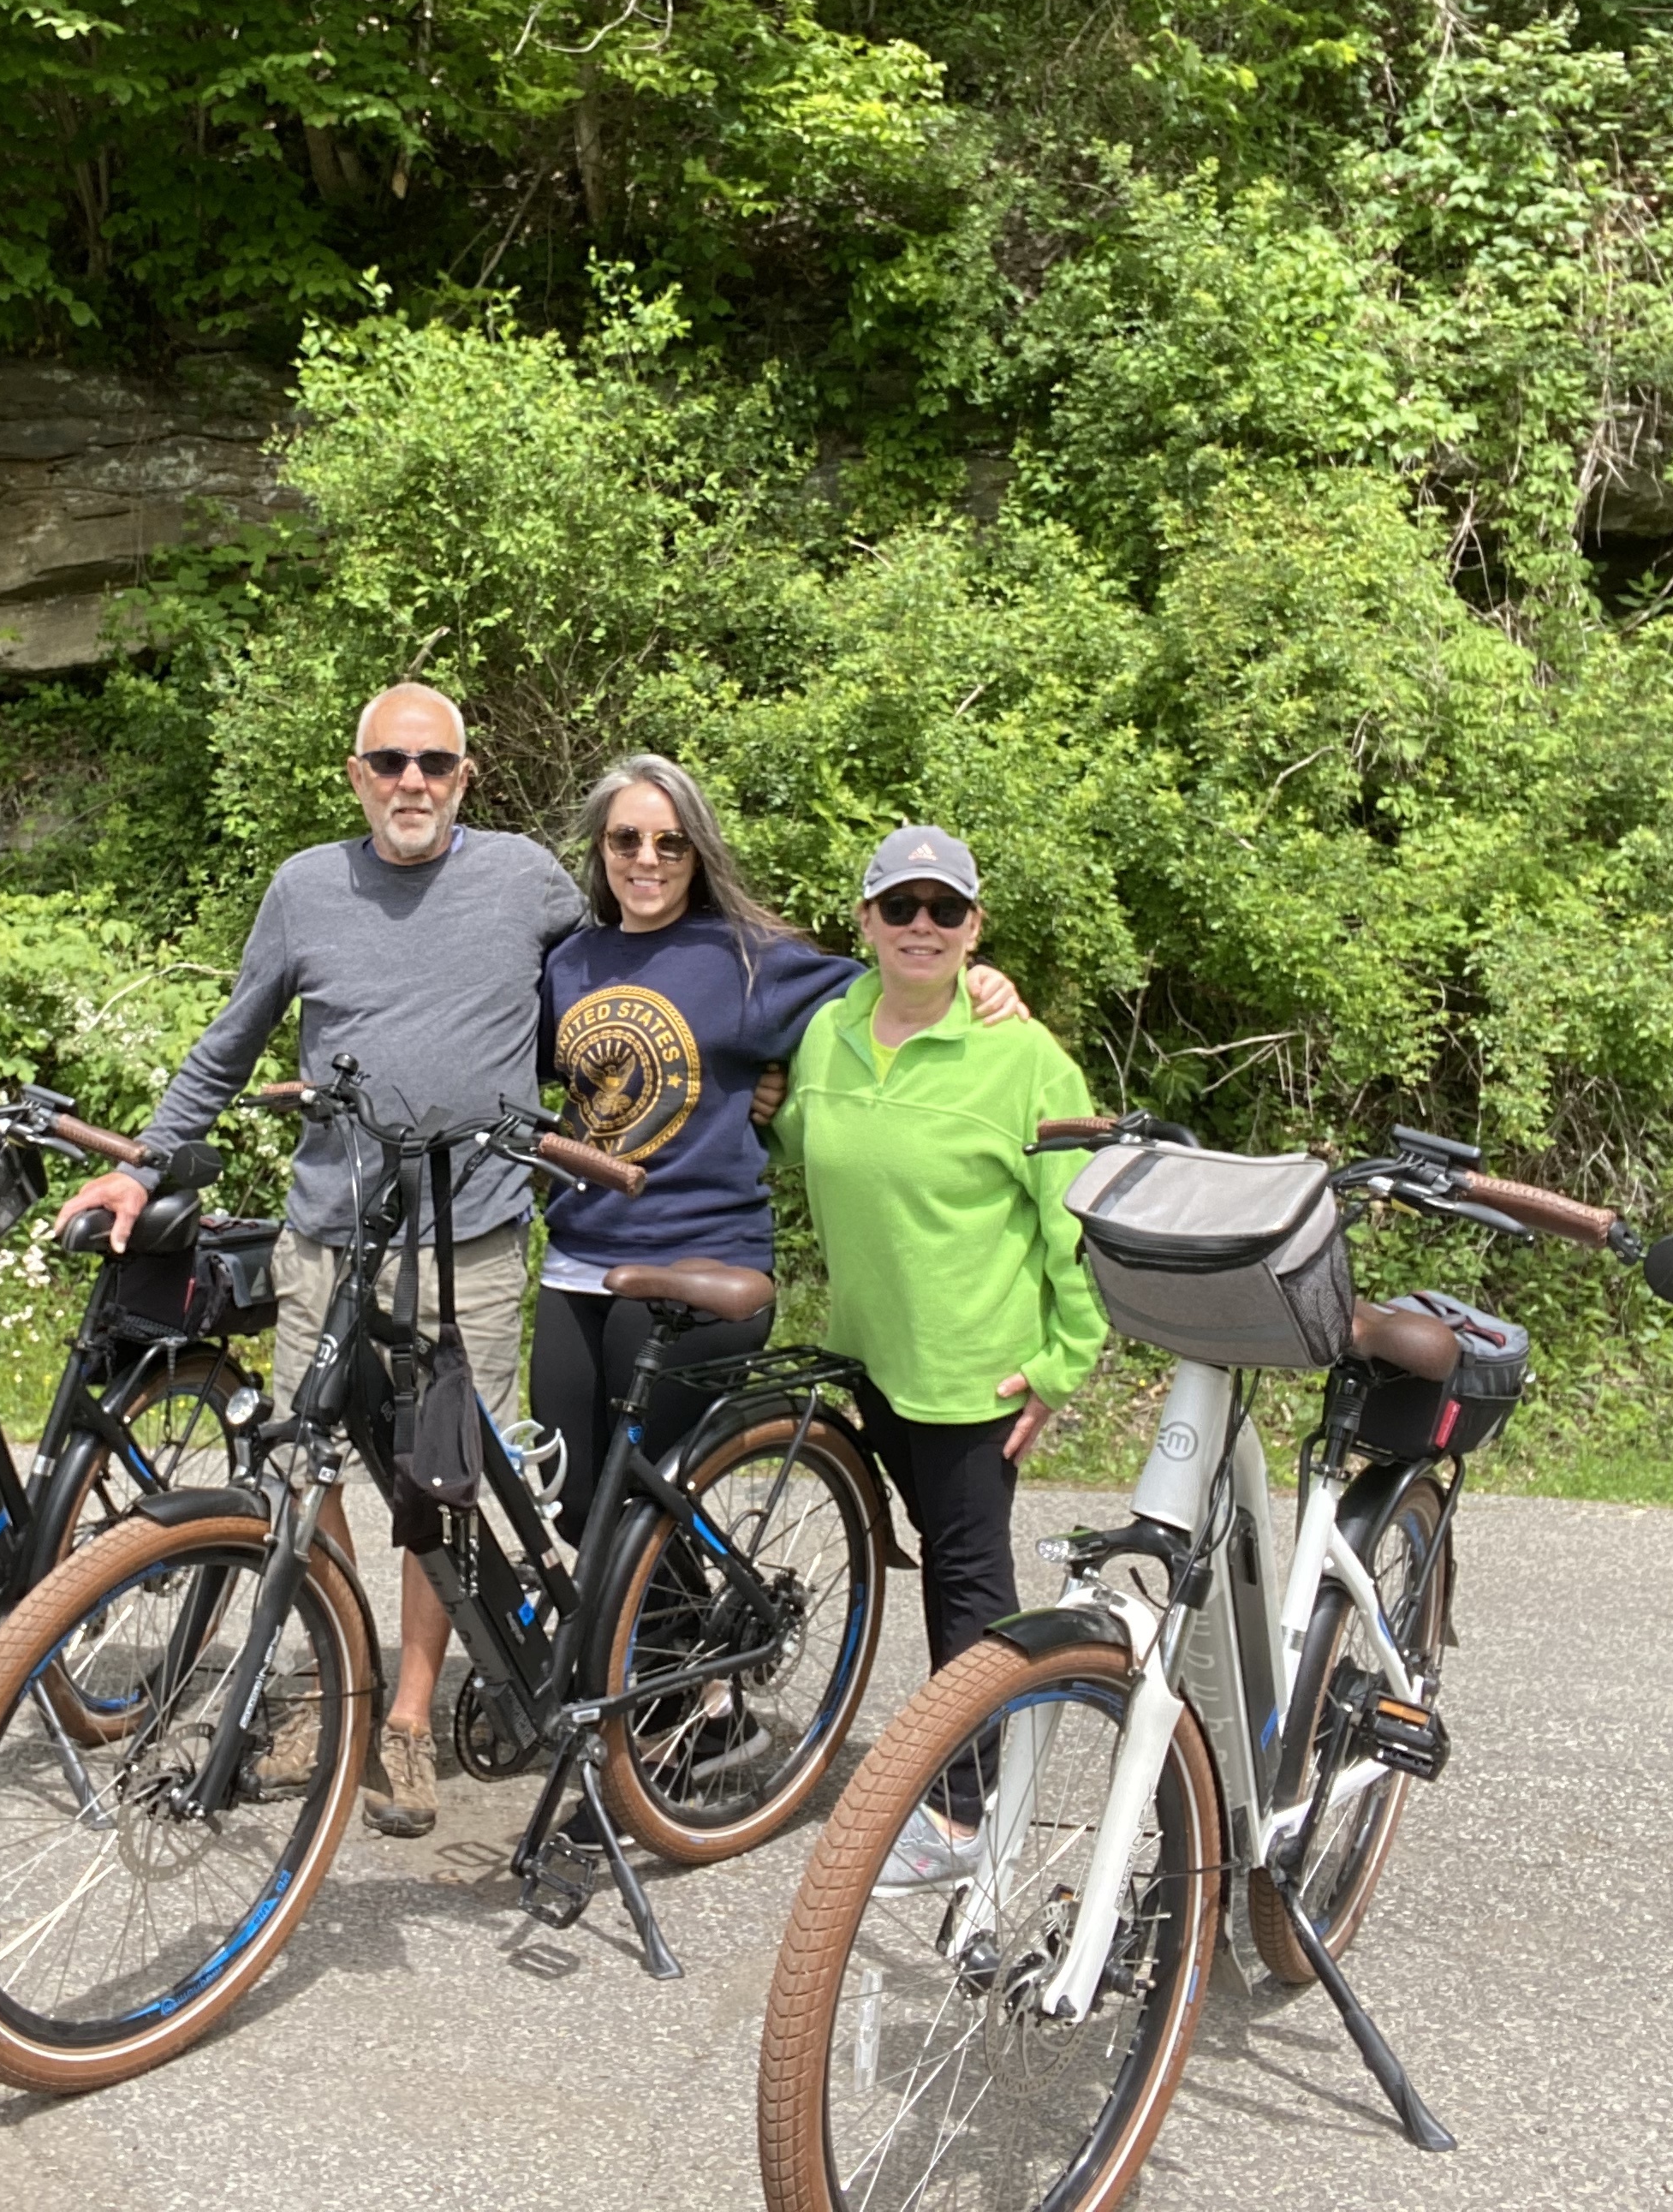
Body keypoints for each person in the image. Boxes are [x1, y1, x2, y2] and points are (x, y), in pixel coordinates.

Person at [56, 682, 581, 1840]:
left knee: (447, 1481)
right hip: (328, 1236)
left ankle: (406, 1712)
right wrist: (144, 1167)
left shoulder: (529, 880)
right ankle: (335, 1679)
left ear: (465, 775)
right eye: (389, 762)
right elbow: (229, 1041)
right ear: (356, 775)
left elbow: (640, 968)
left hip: (475, 1237)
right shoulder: (305, 887)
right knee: (310, 1466)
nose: (411, 783)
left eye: (434, 764)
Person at [534, 757, 1022, 1541]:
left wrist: (979, 984)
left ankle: (675, 1656)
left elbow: (885, 993)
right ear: (601, 850)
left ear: (700, 853)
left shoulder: (751, 958)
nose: (647, 859)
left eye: (671, 842)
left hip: (701, 1256)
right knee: (570, 1502)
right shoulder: (570, 963)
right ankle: (659, 1649)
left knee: (639, 1506)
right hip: (578, 1257)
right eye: (626, 840)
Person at [761, 823, 1105, 1891]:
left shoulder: (1028, 1058)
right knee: (919, 1557)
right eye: (899, 908)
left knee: (966, 1582)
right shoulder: (828, 1033)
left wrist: (1063, 1362)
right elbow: (802, 1140)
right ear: (863, 921)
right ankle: (959, 1767)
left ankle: (965, 1813)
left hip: (973, 1372)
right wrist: (766, 1111)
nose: (921, 927)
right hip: (866, 1355)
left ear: (974, 926)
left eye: (944, 910)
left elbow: (1080, 1216)